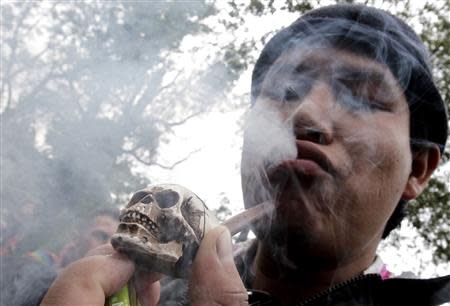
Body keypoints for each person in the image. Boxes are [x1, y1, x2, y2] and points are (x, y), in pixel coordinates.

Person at [41, 4, 450, 306]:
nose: (304, 113)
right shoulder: (135, 296)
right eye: (286, 91)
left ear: (418, 168)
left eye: (360, 98)